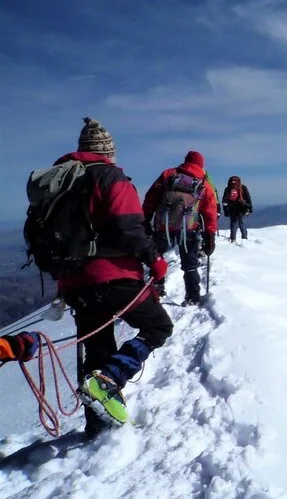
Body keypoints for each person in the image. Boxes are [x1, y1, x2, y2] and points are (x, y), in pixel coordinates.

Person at [50, 119, 172, 435]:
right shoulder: (111, 178)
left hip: (73, 283)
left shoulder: (59, 184)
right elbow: (130, 228)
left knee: (97, 349)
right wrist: (155, 260)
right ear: (108, 152)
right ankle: (112, 378)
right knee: (158, 326)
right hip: (113, 277)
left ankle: (97, 429)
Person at [143, 151, 218, 306]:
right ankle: (192, 297)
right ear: (201, 164)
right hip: (188, 228)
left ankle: (156, 289)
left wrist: (145, 219)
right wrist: (209, 235)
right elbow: (210, 209)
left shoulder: (169, 174)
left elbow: (151, 197)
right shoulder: (203, 181)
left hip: (163, 225)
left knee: (157, 256)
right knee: (190, 263)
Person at [222, 175, 253, 243]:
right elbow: (248, 198)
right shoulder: (243, 188)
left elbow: (224, 200)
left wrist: (225, 210)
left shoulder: (228, 189)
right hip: (241, 208)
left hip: (232, 208)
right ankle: (244, 237)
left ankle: (233, 238)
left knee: (233, 223)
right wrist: (250, 208)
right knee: (241, 222)